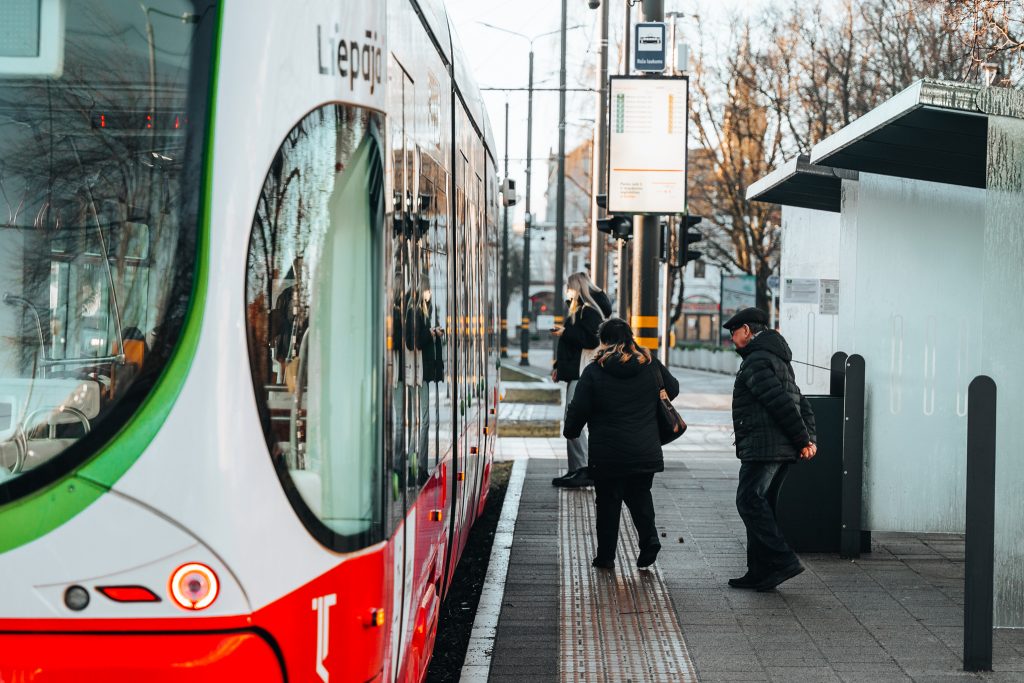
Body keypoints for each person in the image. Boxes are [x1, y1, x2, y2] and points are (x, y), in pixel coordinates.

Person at [563, 318, 679, 569]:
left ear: (603, 341)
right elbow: (673, 388)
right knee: (640, 496)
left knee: (608, 502)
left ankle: (606, 557)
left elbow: (579, 407)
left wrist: (571, 430)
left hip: (608, 454)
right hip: (644, 450)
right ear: (630, 337)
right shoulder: (650, 364)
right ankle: (649, 540)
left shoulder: (595, 371)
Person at [723, 307, 817, 591]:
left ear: (747, 331)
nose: (732, 339)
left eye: (734, 332)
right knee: (761, 504)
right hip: (776, 446)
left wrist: (803, 440)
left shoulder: (757, 361)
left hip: (765, 447)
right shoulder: (775, 358)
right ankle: (759, 571)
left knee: (749, 501)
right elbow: (801, 401)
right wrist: (808, 439)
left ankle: (782, 560)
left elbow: (781, 404)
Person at [550, 272, 611, 488]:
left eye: (569, 288)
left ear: (576, 288)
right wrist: (559, 366)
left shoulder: (590, 311)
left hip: (582, 373)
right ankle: (577, 468)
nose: (567, 292)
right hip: (578, 372)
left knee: (573, 419)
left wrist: (565, 332)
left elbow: (591, 340)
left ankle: (582, 468)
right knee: (573, 419)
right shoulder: (584, 309)